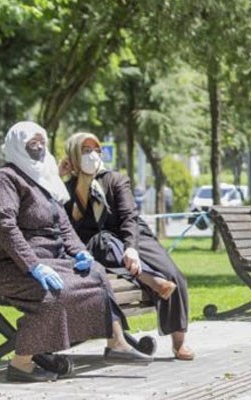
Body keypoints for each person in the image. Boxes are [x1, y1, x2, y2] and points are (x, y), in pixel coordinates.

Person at [0, 122, 152, 383]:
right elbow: (5, 227)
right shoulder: (5, 179)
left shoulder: (43, 177)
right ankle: (21, 364)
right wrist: (33, 265)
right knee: (52, 294)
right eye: (32, 143)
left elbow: (64, 227)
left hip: (47, 260)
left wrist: (80, 252)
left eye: (41, 142)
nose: (39, 148)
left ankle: (117, 343)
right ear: (16, 146)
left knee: (96, 274)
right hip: (4, 263)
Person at [59, 132, 194, 361]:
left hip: (130, 234)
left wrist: (131, 248)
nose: (92, 155)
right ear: (73, 156)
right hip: (97, 243)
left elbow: (129, 217)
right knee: (104, 241)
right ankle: (150, 279)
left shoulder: (115, 180)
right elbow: (57, 216)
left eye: (96, 150)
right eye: (85, 151)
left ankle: (178, 342)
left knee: (174, 275)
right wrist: (57, 175)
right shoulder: (66, 188)